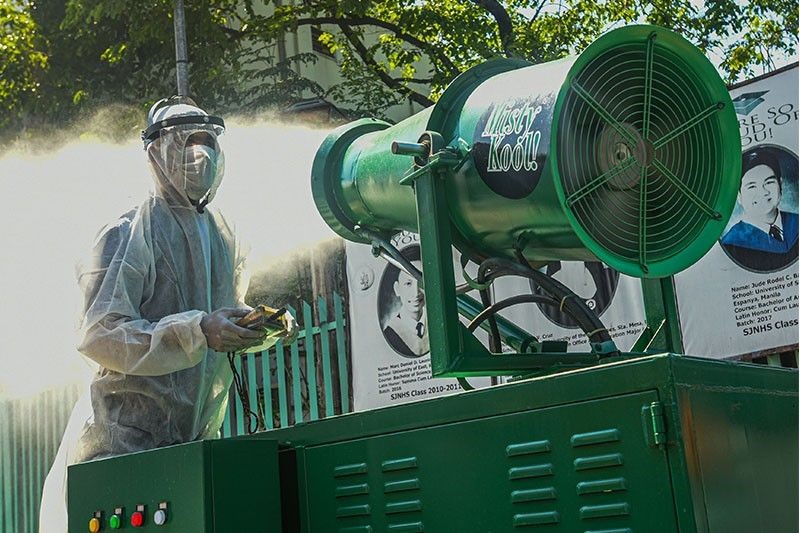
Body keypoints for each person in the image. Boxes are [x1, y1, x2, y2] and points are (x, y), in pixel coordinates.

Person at [39, 96, 293, 532]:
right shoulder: (127, 231)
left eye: (209, 141)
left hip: (191, 445)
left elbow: (214, 323)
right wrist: (198, 331)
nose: (202, 154)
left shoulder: (223, 236)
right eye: (189, 141)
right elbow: (100, 335)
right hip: (124, 447)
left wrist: (253, 326)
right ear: (158, 151)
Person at [720, 149, 798, 271]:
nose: (763, 192)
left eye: (769, 182)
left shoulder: (796, 223)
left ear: (780, 185)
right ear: (739, 196)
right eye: (752, 186)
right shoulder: (733, 243)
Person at [382, 258, 429, 357]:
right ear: (397, 289)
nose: (416, 292)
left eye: (421, 282)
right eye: (408, 284)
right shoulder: (390, 334)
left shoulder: (439, 323)